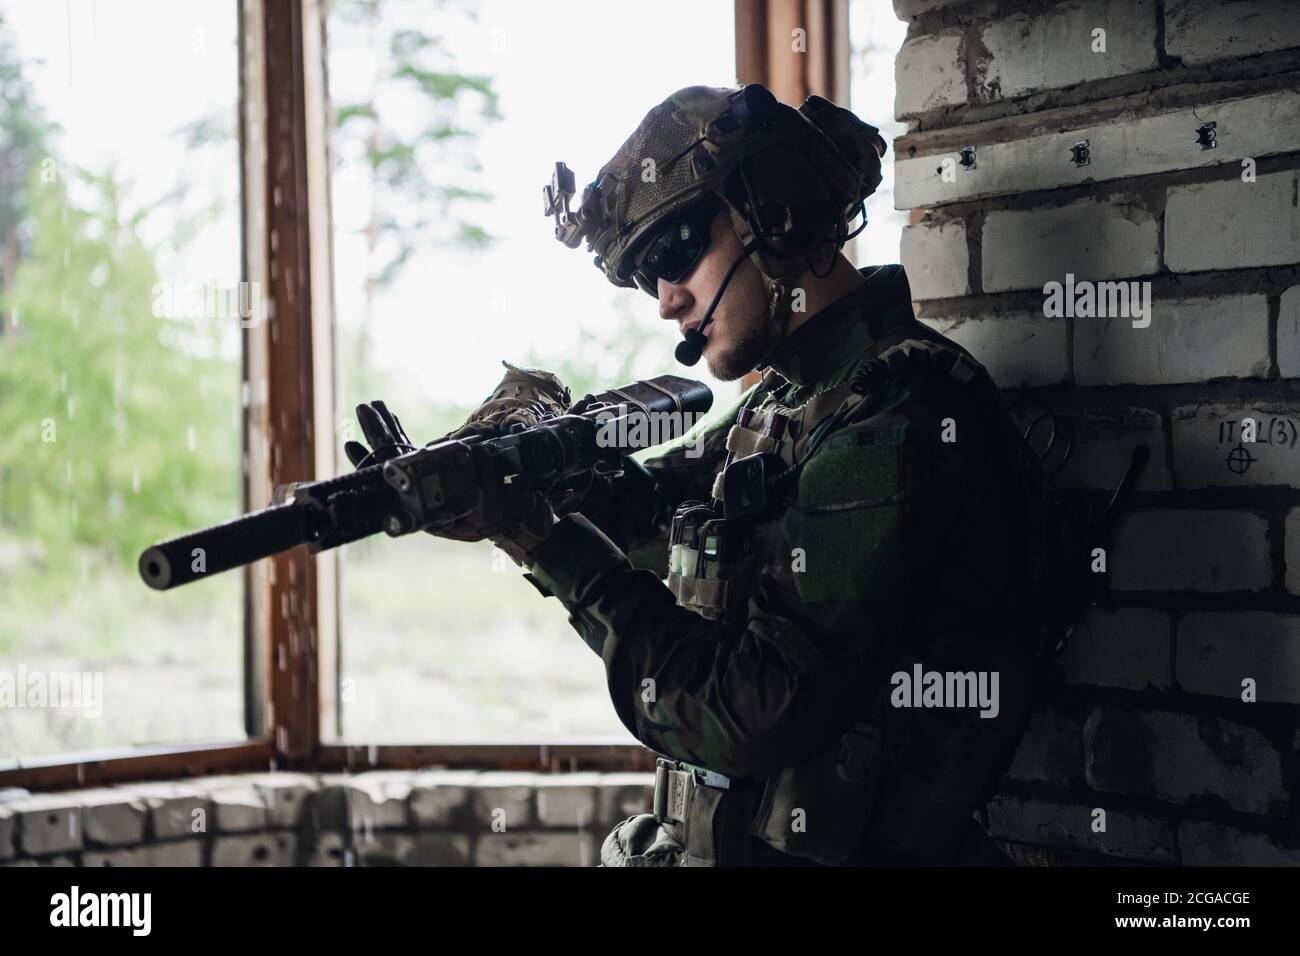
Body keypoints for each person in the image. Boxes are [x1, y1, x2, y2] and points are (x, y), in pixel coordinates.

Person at [348, 84, 1051, 866]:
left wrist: (534, 533)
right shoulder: (791, 403)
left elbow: (751, 711)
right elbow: (659, 518)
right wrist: (530, 470)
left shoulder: (899, 415)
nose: (663, 300)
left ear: (774, 210)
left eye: (674, 253)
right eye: (645, 276)